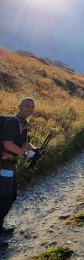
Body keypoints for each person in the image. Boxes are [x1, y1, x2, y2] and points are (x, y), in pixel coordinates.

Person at [0, 98, 40, 248]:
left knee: (11, 196)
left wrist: (35, 151)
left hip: (10, 164)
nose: (30, 109)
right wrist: (25, 154)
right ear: (19, 107)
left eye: (32, 107)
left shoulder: (24, 124)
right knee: (4, 196)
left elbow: (25, 144)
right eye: (27, 106)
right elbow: (8, 144)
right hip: (3, 164)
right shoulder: (13, 122)